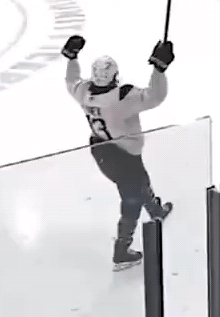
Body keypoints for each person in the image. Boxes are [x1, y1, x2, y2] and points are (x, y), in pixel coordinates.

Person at [62, 35, 174, 270]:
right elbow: (155, 96)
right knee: (131, 197)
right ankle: (122, 250)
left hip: (101, 149)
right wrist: (159, 69)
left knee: (140, 179)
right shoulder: (122, 97)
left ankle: (154, 210)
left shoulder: (83, 92)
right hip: (124, 153)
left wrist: (72, 58)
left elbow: (71, 80)